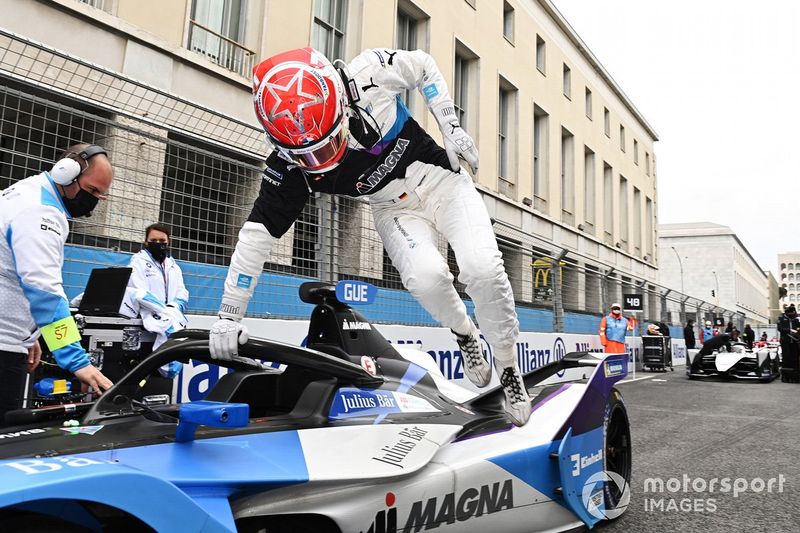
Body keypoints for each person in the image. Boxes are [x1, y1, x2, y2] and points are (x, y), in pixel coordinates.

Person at [208, 47, 531, 425]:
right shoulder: (290, 167)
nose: (323, 160)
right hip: (392, 208)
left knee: (482, 270)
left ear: (340, 104)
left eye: (327, 143)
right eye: (308, 155)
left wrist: (449, 123)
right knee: (426, 279)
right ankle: (465, 334)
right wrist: (229, 315)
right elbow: (255, 237)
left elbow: (424, 65)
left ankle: (508, 365)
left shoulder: (368, 75)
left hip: (444, 183)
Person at [0, 143, 114, 425]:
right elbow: (44, 292)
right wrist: (76, 360)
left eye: (101, 194)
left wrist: (31, 335)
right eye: (92, 191)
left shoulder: (25, 191)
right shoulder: (41, 213)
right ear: (66, 173)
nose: (96, 200)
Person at [777, 304, 800, 382]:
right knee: (786, 357)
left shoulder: (795, 320)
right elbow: (780, 328)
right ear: (788, 313)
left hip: (794, 341)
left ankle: (795, 376)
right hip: (785, 341)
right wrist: (789, 330)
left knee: (795, 358)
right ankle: (786, 376)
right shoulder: (781, 319)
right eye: (792, 313)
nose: (793, 315)